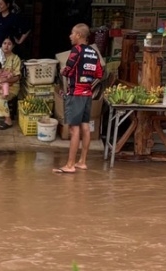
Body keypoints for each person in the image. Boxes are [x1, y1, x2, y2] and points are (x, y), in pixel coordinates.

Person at [55, 24, 103, 174]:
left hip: (76, 94)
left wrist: (64, 71)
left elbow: (68, 70)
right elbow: (99, 74)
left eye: (72, 33)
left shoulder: (77, 50)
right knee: (85, 127)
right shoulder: (94, 53)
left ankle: (70, 165)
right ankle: (82, 162)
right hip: (88, 94)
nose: (70, 36)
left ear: (79, 35)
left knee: (74, 130)